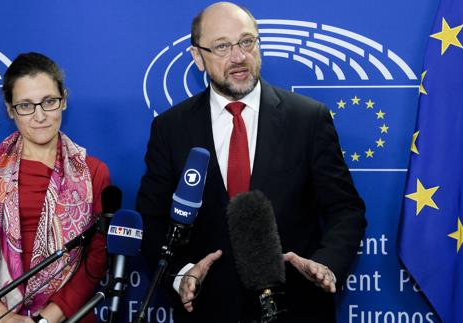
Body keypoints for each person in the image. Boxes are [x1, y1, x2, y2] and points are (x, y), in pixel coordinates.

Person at [136, 2, 367, 322]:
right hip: (208, 309)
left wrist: (325, 264)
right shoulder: (171, 129)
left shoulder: (308, 118)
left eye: (247, 42)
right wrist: (181, 275)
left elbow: (346, 210)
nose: (239, 56)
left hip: (297, 304)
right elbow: (152, 219)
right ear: (197, 57)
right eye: (222, 46)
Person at [0, 52, 110, 323]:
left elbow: (97, 257)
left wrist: (47, 318)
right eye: (25, 105)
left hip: (66, 317)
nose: (39, 116)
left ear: (64, 100)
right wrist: (1, 316)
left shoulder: (93, 173)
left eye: (49, 102)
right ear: (11, 110)